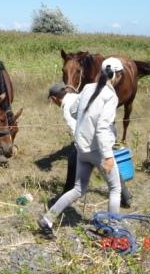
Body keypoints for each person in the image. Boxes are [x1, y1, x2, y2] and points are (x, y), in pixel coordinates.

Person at [38, 57, 130, 238]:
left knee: (78, 189)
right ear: (117, 75)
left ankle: (47, 219)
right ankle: (113, 230)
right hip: (99, 151)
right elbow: (103, 127)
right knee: (115, 188)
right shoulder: (111, 96)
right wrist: (108, 156)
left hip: (82, 149)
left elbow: (73, 110)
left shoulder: (87, 88)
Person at [48, 83, 133, 206]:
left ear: (54, 99)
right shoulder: (74, 96)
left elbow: (76, 129)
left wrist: (81, 148)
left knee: (92, 163)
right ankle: (126, 197)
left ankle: (67, 195)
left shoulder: (67, 108)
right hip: (104, 130)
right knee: (108, 164)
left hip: (94, 138)